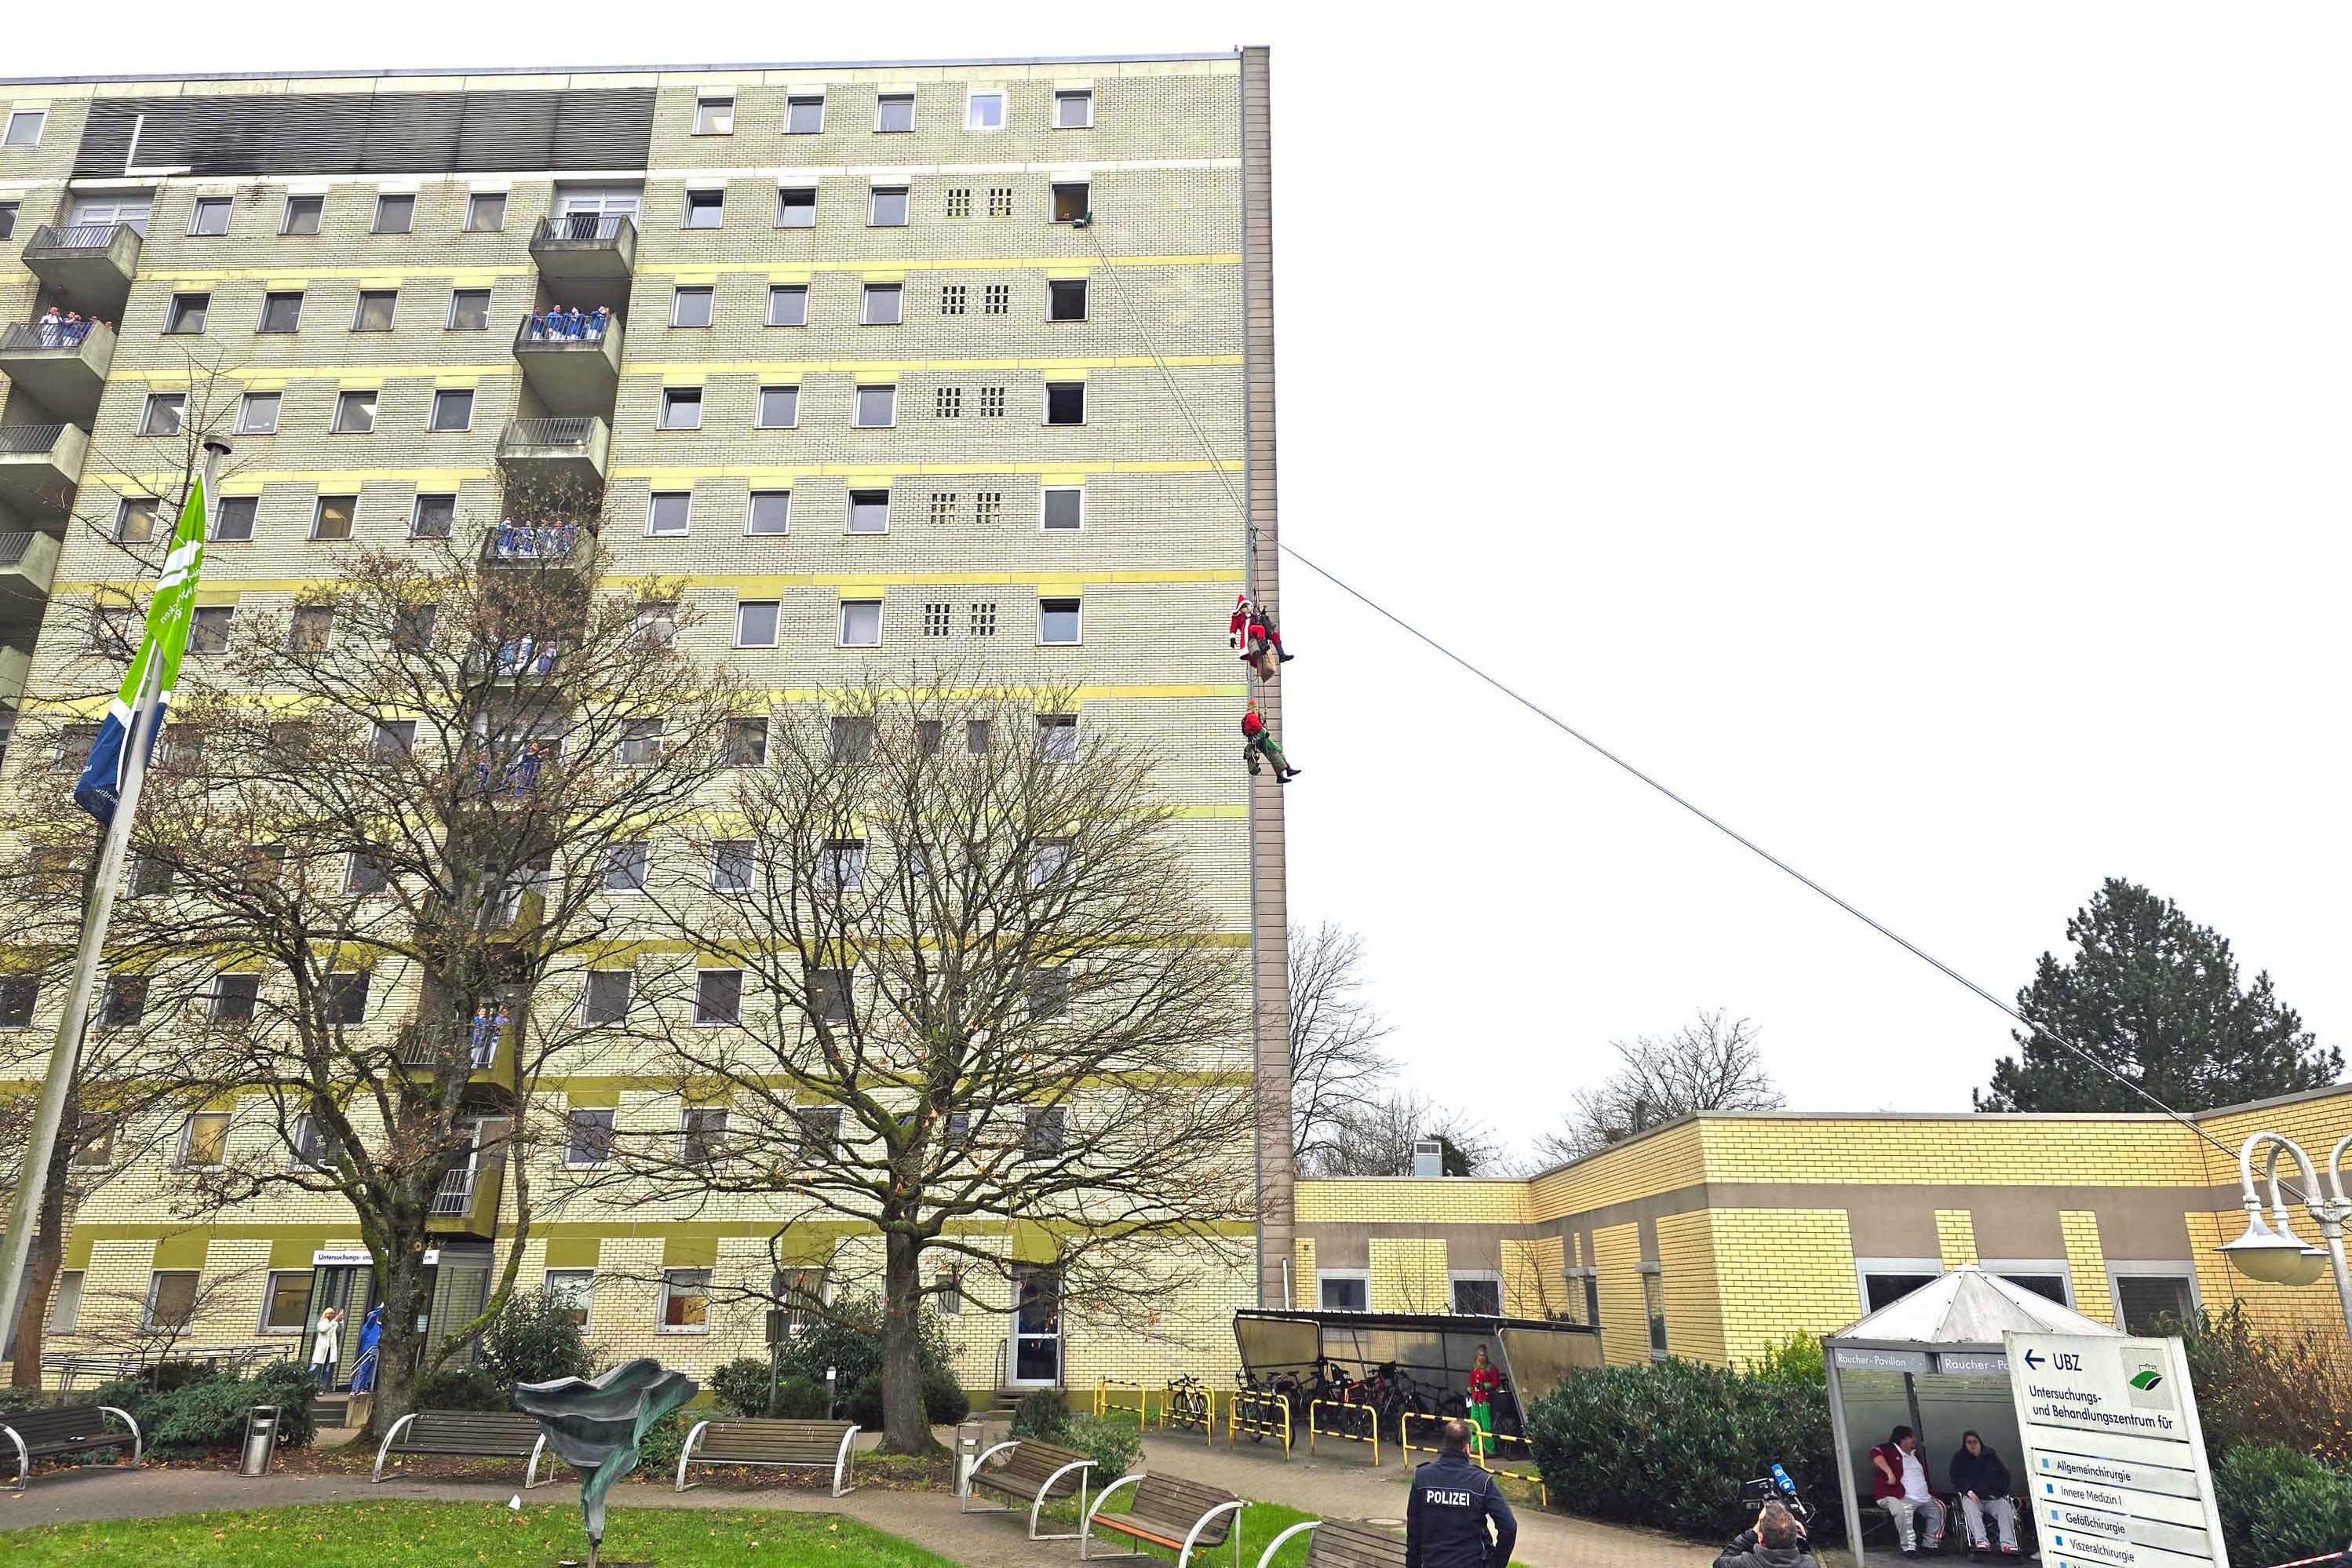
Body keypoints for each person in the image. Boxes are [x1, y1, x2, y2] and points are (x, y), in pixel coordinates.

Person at [1406, 1417, 1516, 1568]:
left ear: (1444, 1444)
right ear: (1467, 1447)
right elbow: (1509, 1527)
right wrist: (1496, 1564)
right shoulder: (1481, 1482)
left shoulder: (1422, 1477)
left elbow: (1414, 1530)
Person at [1870, 1425, 1945, 1556]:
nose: (1914, 1440)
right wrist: (1889, 1473)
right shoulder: (1889, 1449)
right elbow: (1875, 1453)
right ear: (1902, 1439)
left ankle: (1930, 1544)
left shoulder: (1915, 1454)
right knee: (1903, 1511)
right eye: (1911, 1437)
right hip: (1898, 1495)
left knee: (1940, 1508)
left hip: (1924, 1496)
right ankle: (1909, 1547)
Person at [1949, 1431, 2018, 1555]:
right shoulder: (1960, 1459)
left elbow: (2005, 1476)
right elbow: (1956, 1479)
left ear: (1980, 1442)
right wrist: (1968, 1491)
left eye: (1975, 1442)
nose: (1972, 1445)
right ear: (1965, 1445)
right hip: (1972, 1497)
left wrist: (1997, 1492)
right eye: (1969, 1443)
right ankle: (1981, 1542)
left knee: (2005, 1507)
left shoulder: (1991, 1456)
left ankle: (2008, 1544)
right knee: (1970, 1508)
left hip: (1992, 1497)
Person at [1715, 1503, 1811, 1568]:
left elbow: (1720, 1563)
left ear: (1760, 1538)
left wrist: (1752, 1532)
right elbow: (1802, 1558)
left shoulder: (1745, 1563)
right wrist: (1800, 1540)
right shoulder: (1809, 1564)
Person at [1241, 700, 1300, 782]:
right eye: (1257, 709)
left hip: (1257, 740)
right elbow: (1257, 725)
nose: (1258, 711)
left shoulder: (1248, 717)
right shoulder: (1251, 716)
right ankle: (1286, 771)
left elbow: (1256, 725)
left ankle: (1285, 771)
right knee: (1274, 752)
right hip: (1261, 738)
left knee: (1275, 751)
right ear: (1253, 709)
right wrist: (1264, 731)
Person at [1466, 1345, 1502, 1458]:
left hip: (1485, 1399)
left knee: (1486, 1425)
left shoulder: (1491, 1368)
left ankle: (1490, 1449)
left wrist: (1485, 1386)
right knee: (1474, 1423)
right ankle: (1475, 1448)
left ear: (1486, 1356)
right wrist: (1470, 1389)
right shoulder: (1474, 1367)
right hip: (1475, 1398)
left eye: (1483, 1355)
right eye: (1479, 1355)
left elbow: (1496, 1382)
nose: (1481, 1358)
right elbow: (1471, 1382)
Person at [348, 1304, 384, 1395]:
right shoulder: (369, 1326)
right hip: (368, 1350)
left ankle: (363, 1388)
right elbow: (373, 1316)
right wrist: (379, 1308)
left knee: (369, 1370)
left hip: (374, 1350)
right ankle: (356, 1388)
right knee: (363, 1369)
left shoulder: (379, 1326)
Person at [309, 1306, 344, 1389]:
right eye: (331, 1314)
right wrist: (335, 1320)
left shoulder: (334, 1323)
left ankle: (321, 1388)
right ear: (327, 1314)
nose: (333, 1315)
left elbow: (340, 1330)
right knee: (314, 1368)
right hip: (322, 1349)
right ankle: (309, 1385)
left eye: (334, 1314)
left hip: (330, 1349)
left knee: (326, 1370)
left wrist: (341, 1320)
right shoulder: (321, 1323)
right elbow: (323, 1329)